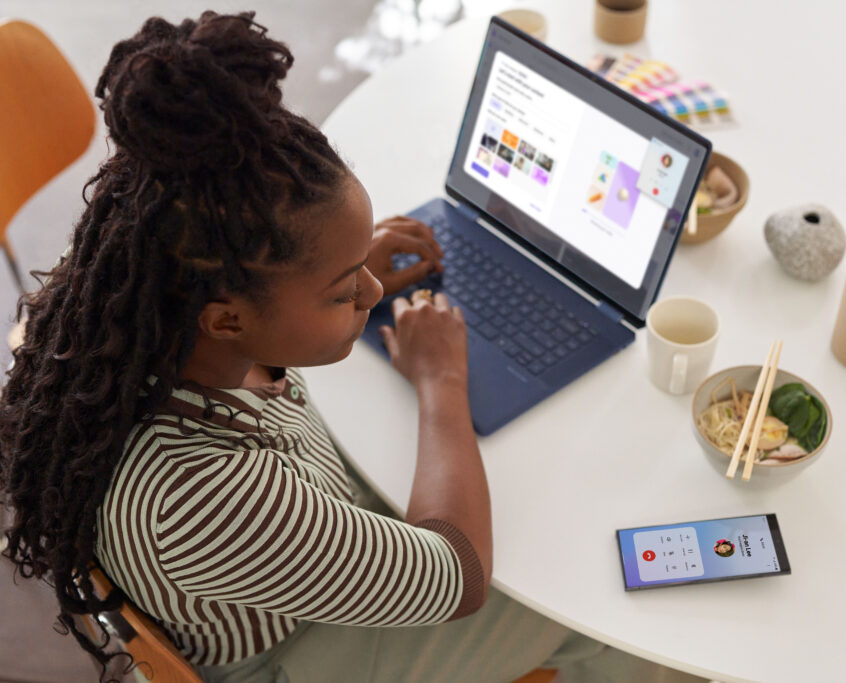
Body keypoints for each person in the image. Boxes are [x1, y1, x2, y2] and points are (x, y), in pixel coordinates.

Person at [0, 12, 704, 683]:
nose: (371, 293)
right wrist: (441, 384)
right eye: (345, 291)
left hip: (285, 564)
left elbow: (261, 313)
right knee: (599, 609)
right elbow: (457, 576)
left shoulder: (145, 302)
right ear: (227, 319)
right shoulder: (199, 496)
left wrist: (329, 267)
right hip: (300, 653)